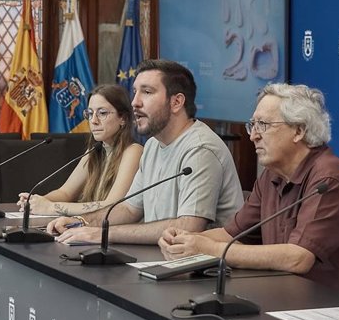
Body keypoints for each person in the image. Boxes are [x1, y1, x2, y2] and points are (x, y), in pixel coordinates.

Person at [159, 83, 339, 289]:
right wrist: (183, 240)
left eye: (263, 125)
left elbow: (298, 258)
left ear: (299, 131)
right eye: (252, 125)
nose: (253, 136)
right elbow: (230, 235)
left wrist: (209, 249)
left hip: (335, 307)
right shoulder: (271, 176)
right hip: (285, 296)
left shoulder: (329, 179)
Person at [47, 59, 244, 245]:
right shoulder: (152, 146)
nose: (134, 102)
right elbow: (128, 209)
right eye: (135, 92)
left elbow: (189, 227)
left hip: (202, 272)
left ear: (176, 102)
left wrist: (103, 234)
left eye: (147, 92)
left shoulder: (200, 149)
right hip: (161, 259)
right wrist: (81, 222)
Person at [17, 84, 143, 216]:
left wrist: (51, 207)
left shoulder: (133, 151)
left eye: (102, 113)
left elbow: (111, 206)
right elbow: (65, 193)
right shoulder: (95, 149)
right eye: (89, 113)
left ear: (122, 118)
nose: (93, 121)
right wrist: (37, 201)